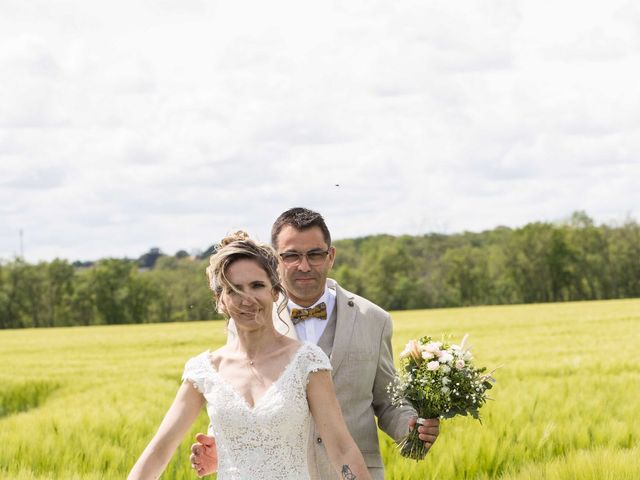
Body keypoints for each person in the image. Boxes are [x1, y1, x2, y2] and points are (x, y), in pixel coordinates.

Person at [190, 208, 439, 479]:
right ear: (275, 260)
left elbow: (389, 400)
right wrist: (219, 446)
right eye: (292, 256)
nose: (304, 265)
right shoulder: (248, 317)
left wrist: (412, 428)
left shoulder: (374, 320)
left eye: (315, 254)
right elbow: (238, 393)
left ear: (330, 256)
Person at [128, 231, 372, 480]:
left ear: (274, 291)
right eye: (234, 290)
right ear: (220, 299)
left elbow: (342, 450)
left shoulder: (307, 362)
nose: (246, 299)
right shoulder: (204, 371)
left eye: (257, 286)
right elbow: (159, 451)